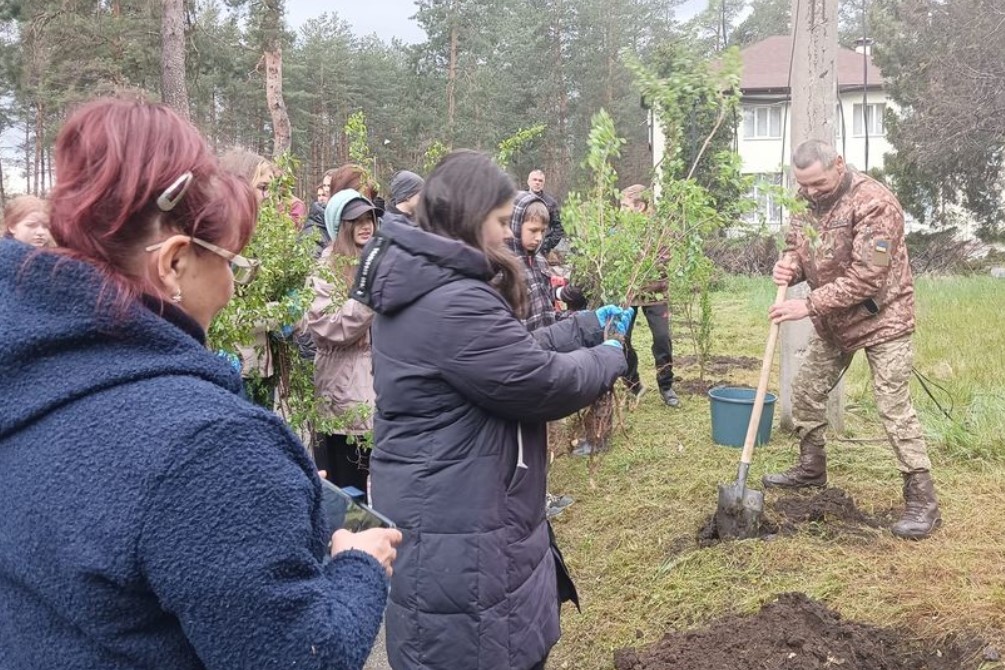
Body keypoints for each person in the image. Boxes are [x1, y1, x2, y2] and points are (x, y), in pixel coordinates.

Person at [0, 96, 401, 669]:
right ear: (173, 264)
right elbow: (303, 655)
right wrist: (357, 564)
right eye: (232, 264)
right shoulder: (206, 444)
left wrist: (267, 498)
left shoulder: (29, 374)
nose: (234, 287)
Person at [351, 150, 632, 670]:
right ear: (469, 216)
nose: (507, 235)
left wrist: (583, 326)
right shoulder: (451, 302)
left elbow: (508, 355)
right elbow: (537, 382)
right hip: (460, 530)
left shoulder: (433, 286)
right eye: (502, 222)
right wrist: (608, 356)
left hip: (455, 509)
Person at [763, 139, 940, 541]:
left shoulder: (877, 204)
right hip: (836, 321)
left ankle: (922, 500)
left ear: (839, 165)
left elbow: (868, 277)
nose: (810, 193)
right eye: (803, 185)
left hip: (884, 318)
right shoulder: (805, 199)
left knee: (892, 404)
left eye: (818, 185)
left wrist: (806, 305)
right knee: (806, 391)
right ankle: (811, 469)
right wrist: (790, 269)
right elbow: (798, 247)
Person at [306, 189, 380, 499]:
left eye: (369, 219)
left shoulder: (377, 262)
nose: (365, 226)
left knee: (375, 487)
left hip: (376, 388)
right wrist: (365, 299)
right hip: (342, 394)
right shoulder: (327, 269)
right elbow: (328, 326)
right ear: (340, 226)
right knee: (346, 491)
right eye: (356, 221)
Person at [619, 184, 679, 408]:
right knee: (622, 337)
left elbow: (663, 260)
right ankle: (633, 384)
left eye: (625, 206)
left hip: (656, 294)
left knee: (662, 338)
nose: (621, 211)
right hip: (629, 294)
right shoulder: (621, 231)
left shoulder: (658, 231)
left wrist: (643, 262)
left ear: (640, 206)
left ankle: (666, 386)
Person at [508, 190, 588, 332]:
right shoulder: (505, 269)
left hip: (545, 345)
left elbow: (546, 315)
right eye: (533, 230)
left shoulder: (539, 261)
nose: (539, 238)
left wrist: (581, 318)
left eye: (543, 231)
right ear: (514, 225)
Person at [303, 164, 382, 258]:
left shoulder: (379, 231)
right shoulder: (313, 236)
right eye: (357, 200)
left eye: (369, 200)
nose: (365, 206)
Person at [526, 168, 564, 256]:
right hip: (521, 245)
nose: (537, 183)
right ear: (528, 181)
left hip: (540, 247)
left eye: (540, 180)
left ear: (543, 183)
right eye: (534, 180)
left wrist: (548, 245)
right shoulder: (520, 198)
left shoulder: (551, 203)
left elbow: (558, 228)